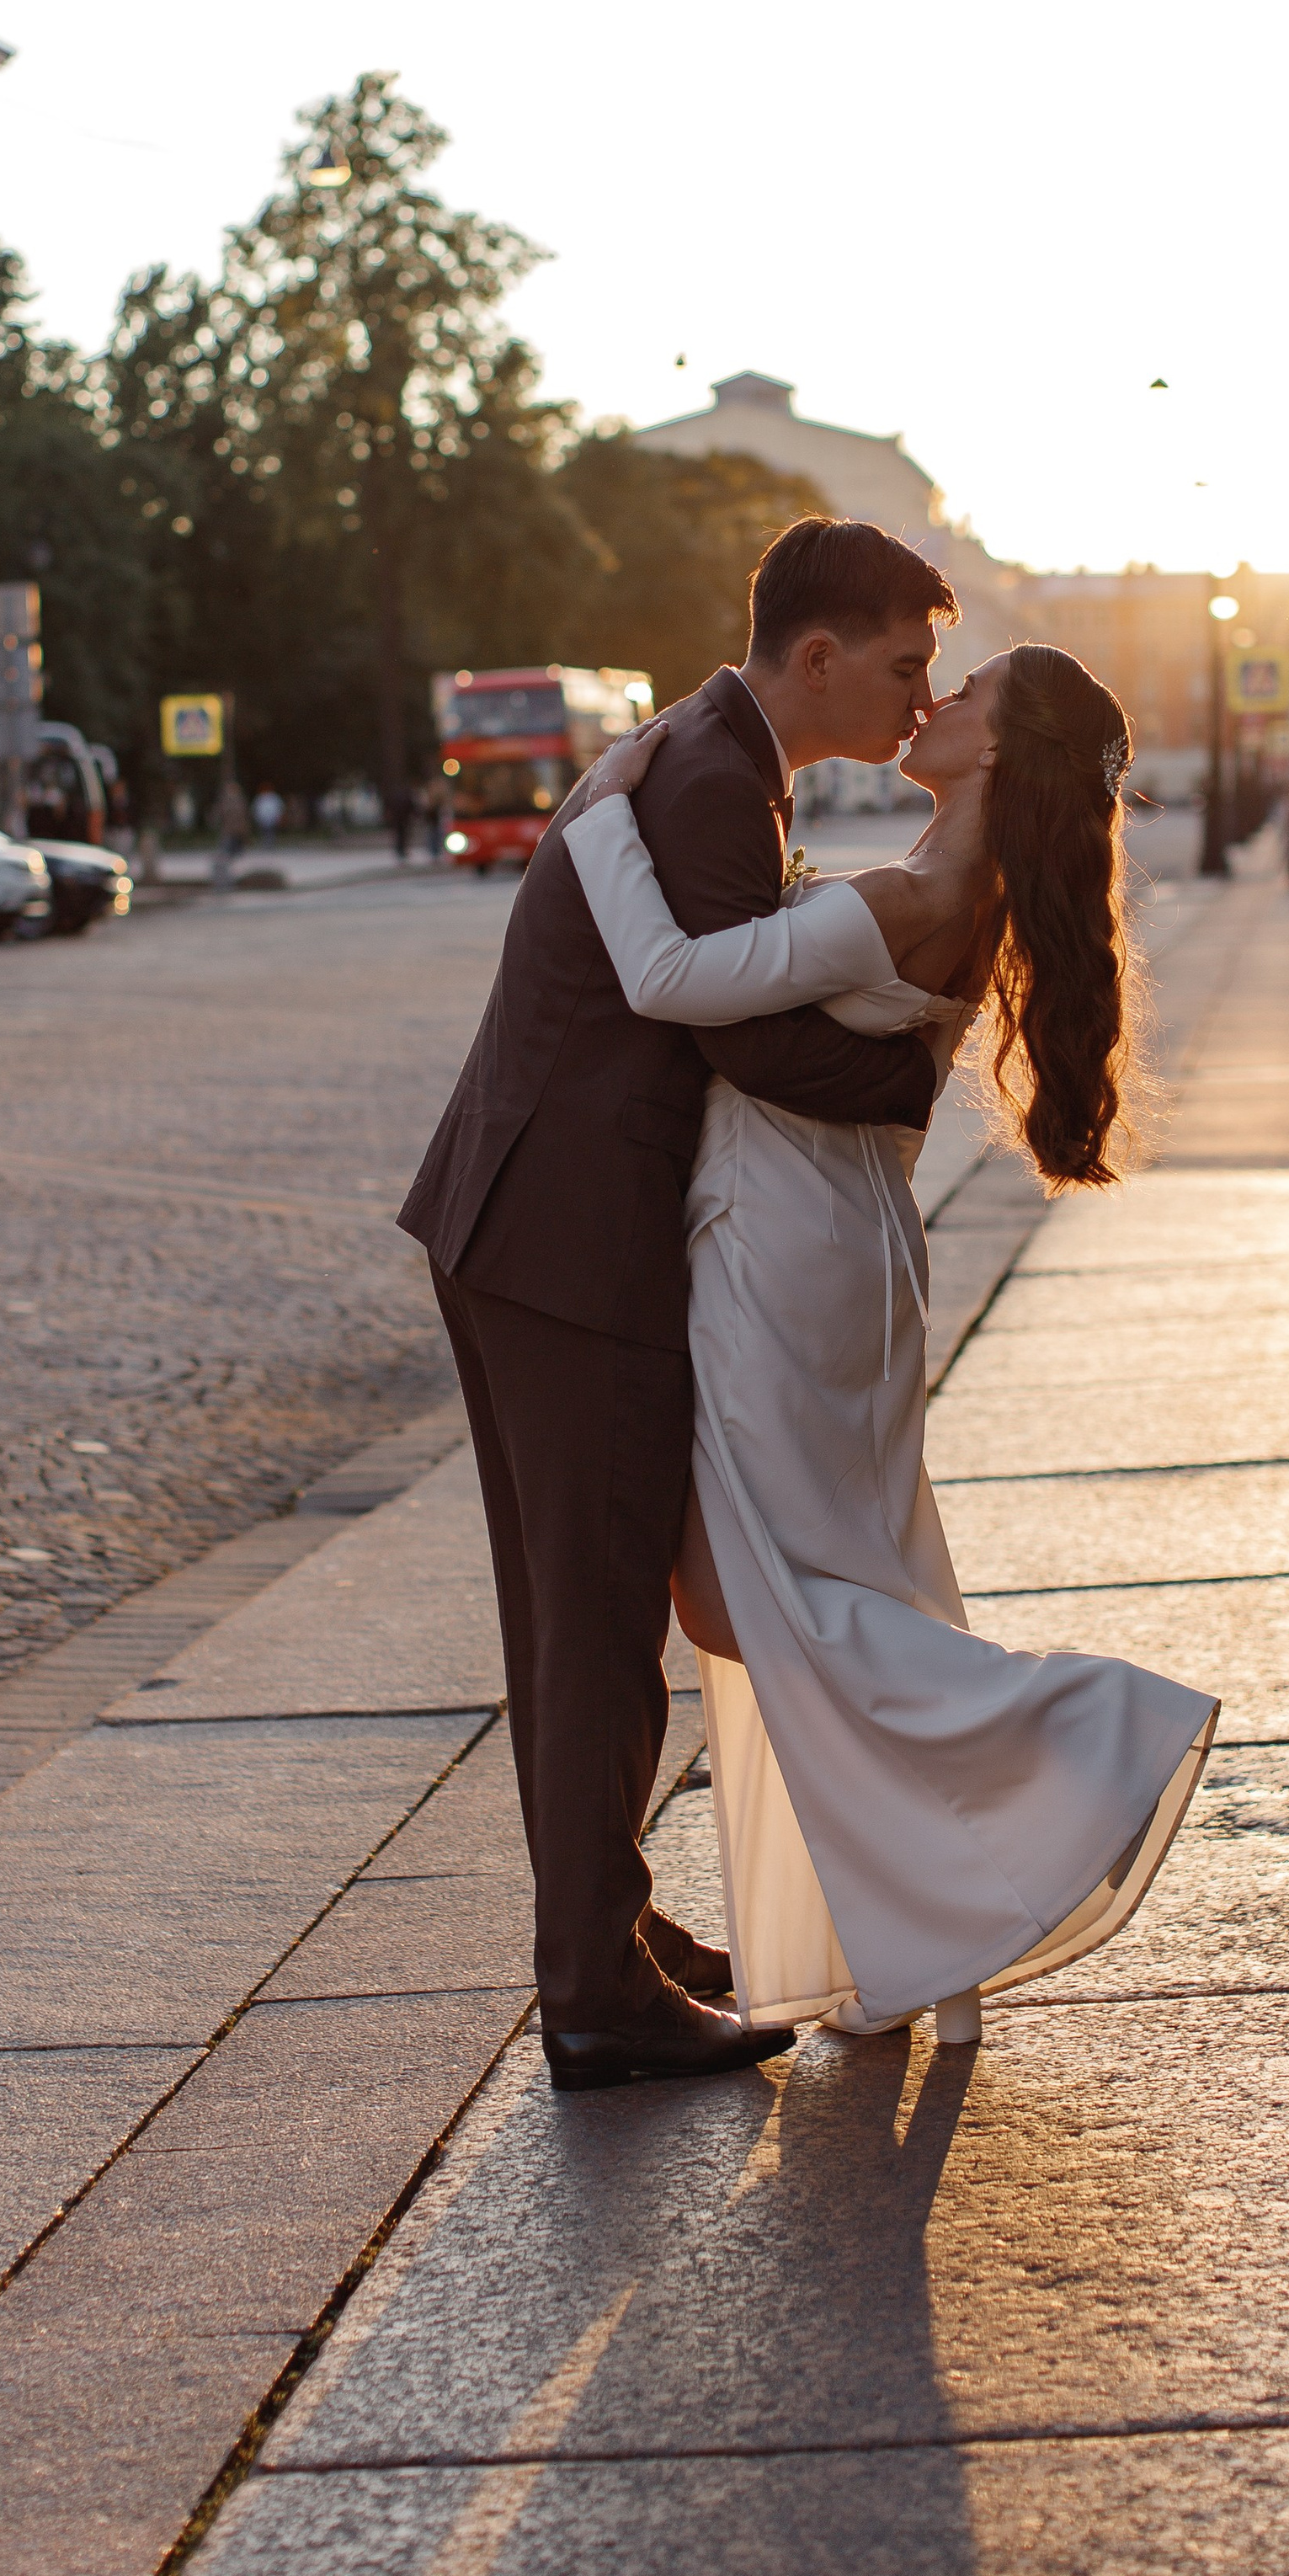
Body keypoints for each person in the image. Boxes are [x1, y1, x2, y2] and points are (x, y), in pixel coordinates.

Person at [559, 644, 1216, 2051]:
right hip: (841, 1242)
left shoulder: (910, 894)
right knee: (822, 1581)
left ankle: (1088, 1733)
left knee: (762, 1603)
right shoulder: (954, 888)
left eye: (964, 693)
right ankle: (916, 1945)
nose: (936, 704)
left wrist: (604, 806)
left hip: (783, 1248)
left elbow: (671, 976)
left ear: (1001, 748)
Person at [400, 520, 953, 2092]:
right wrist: (917, 1065)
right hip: (571, 1247)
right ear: (823, 654)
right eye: (906, 664)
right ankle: (593, 1990)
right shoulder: (712, 779)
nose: (923, 694)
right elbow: (757, 1043)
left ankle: (607, 1930)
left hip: (524, 1228)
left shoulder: (713, 756)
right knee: (596, 1624)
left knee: (574, 1617)